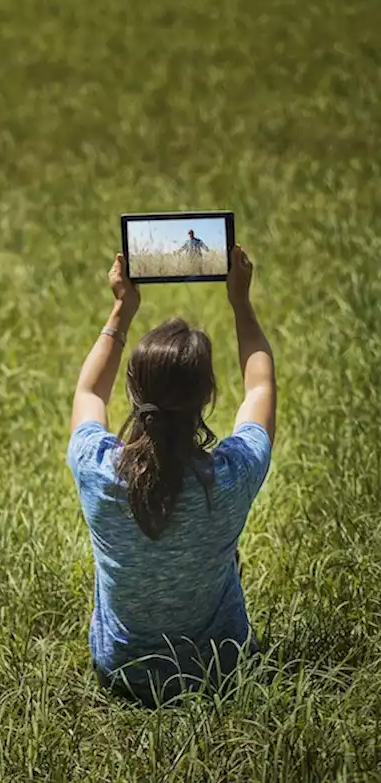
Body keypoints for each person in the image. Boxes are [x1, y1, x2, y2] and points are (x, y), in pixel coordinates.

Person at [67, 245, 275, 707]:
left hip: (120, 667)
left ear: (134, 391)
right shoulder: (230, 475)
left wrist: (122, 308)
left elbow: (87, 391)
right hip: (221, 669)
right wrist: (241, 303)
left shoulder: (96, 468)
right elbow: (260, 386)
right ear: (207, 396)